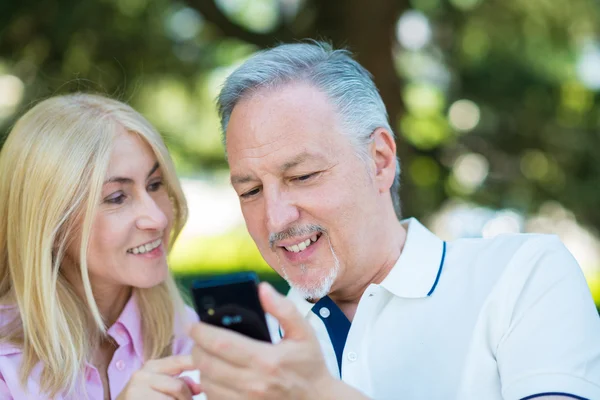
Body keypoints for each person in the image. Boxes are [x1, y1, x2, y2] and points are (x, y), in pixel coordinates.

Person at [188, 41, 600, 399]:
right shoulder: (248, 359)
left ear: (380, 160)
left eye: (302, 176)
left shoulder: (521, 276)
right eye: (251, 191)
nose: (275, 218)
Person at [0, 93, 202, 399]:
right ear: (50, 223)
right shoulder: (7, 364)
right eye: (117, 197)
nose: (158, 218)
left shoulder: (185, 332)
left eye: (155, 184)